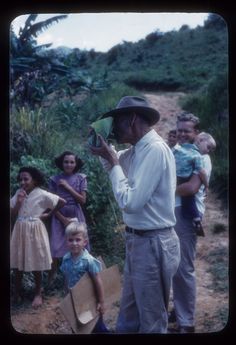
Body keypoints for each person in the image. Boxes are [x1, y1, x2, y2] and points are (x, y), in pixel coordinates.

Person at [89, 95, 180, 333]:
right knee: (128, 317)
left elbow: (130, 202)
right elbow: (114, 165)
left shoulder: (154, 150)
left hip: (152, 243)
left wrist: (111, 159)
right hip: (139, 242)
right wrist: (104, 153)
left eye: (117, 123)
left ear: (131, 120)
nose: (116, 130)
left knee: (151, 321)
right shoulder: (139, 150)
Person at [170, 113, 214, 333]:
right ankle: (179, 310)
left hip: (185, 214)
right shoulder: (178, 151)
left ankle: (186, 323)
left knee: (183, 268)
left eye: (187, 130)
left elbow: (191, 188)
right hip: (172, 211)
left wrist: (162, 191)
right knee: (172, 265)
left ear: (197, 133)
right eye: (179, 130)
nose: (182, 134)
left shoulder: (201, 156)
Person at [10, 166, 66, 308]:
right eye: (21, 179)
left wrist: (48, 214)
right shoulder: (19, 193)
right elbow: (12, 213)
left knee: (37, 261)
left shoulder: (41, 194)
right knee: (17, 262)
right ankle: (17, 293)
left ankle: (38, 293)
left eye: (26, 179)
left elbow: (61, 202)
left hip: (35, 230)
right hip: (20, 229)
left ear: (34, 180)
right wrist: (19, 202)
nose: (23, 182)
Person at [60, 220, 109, 333]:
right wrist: (67, 295)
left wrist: (101, 302)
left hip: (90, 298)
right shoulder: (66, 259)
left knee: (96, 325)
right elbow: (67, 277)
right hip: (75, 299)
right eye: (70, 240)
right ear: (66, 241)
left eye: (78, 240)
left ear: (85, 242)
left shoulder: (89, 261)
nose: (74, 243)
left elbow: (98, 281)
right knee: (77, 325)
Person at [48, 151, 88, 283]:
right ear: (61, 163)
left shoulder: (81, 178)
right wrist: (63, 220)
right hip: (59, 215)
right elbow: (51, 204)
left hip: (76, 214)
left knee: (78, 244)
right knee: (55, 247)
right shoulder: (54, 179)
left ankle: (80, 276)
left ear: (76, 164)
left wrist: (67, 187)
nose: (69, 164)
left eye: (72, 162)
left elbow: (82, 200)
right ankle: (51, 280)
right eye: (66, 162)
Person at [173, 129, 216, 236]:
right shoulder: (197, 155)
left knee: (188, 196)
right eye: (208, 147)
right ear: (200, 140)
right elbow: (201, 172)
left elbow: (191, 188)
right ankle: (195, 218)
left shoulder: (183, 149)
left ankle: (195, 218)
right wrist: (206, 185)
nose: (208, 151)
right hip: (181, 178)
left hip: (179, 179)